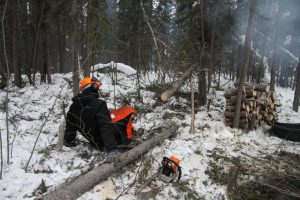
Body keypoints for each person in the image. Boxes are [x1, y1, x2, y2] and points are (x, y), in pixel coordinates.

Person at [64, 77, 120, 163]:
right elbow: (105, 126)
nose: (98, 89)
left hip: (95, 142)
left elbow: (70, 128)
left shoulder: (73, 107)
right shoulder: (99, 104)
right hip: (105, 143)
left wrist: (69, 141)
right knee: (124, 116)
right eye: (96, 87)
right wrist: (112, 149)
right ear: (92, 88)